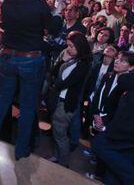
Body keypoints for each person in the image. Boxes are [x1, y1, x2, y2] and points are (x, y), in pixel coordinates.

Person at [0, 0, 52, 160]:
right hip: (30, 59)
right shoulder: (39, 3)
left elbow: (8, 25)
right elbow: (49, 27)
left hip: (8, 57)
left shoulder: (8, 2)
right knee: (27, 106)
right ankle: (21, 150)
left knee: (4, 98)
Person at [47, 31, 91, 167]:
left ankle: (63, 163)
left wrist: (54, 84)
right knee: (57, 131)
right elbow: (53, 72)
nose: (69, 49)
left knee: (60, 134)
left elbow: (65, 82)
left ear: (80, 46)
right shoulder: (70, 58)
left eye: (72, 46)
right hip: (57, 99)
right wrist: (62, 60)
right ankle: (56, 156)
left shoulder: (84, 64)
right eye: (68, 46)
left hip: (66, 103)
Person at [91, 69, 134, 184]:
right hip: (129, 130)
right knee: (117, 170)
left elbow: (125, 80)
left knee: (99, 145)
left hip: (129, 130)